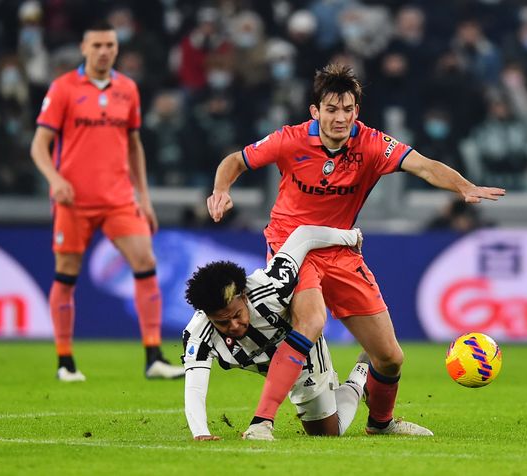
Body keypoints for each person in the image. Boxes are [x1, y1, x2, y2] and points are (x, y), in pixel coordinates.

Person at [206, 64, 504, 439]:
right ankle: (261, 423)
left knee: (390, 357)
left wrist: (463, 187)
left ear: (356, 112)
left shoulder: (373, 144)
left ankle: (380, 424)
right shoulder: (289, 140)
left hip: (341, 248)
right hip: (293, 247)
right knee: (311, 323)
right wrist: (221, 190)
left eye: (347, 109)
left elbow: (424, 167)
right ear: (315, 111)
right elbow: (234, 161)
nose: (340, 117)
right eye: (331, 109)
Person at [30, 21, 184, 382]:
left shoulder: (127, 89)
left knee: (146, 262)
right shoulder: (63, 88)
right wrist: (55, 180)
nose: (103, 51)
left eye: (110, 45)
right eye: (97, 44)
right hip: (74, 201)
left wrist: (144, 198)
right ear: (84, 48)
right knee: (66, 275)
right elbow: (39, 145)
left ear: (117, 49)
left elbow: (133, 146)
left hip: (118, 198)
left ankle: (154, 357)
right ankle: (65, 362)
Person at [183, 225, 368, 440]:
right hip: (267, 366)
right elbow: (195, 387)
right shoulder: (198, 335)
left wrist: (351, 236)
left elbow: (304, 236)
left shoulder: (270, 287)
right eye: (222, 323)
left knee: (327, 432)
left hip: (302, 356)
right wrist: (201, 433)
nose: (233, 326)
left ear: (244, 296)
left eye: (237, 315)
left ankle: (360, 375)